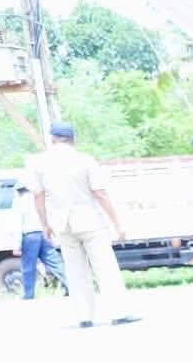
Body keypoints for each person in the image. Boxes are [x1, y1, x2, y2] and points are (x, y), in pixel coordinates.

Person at [30, 121, 137, 327]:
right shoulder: (85, 160)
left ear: (53, 139)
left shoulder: (39, 164)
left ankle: (84, 317)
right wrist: (117, 223)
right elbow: (100, 193)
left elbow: (38, 196)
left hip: (62, 225)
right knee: (105, 267)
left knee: (75, 271)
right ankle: (119, 312)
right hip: (90, 221)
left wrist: (45, 224)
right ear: (72, 139)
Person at [14, 179, 65, 300]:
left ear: (19, 191)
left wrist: (17, 244)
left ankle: (28, 295)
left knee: (28, 267)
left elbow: (17, 224)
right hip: (44, 234)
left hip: (30, 237)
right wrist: (53, 238)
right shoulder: (40, 200)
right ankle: (72, 287)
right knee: (56, 263)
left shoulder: (19, 202)